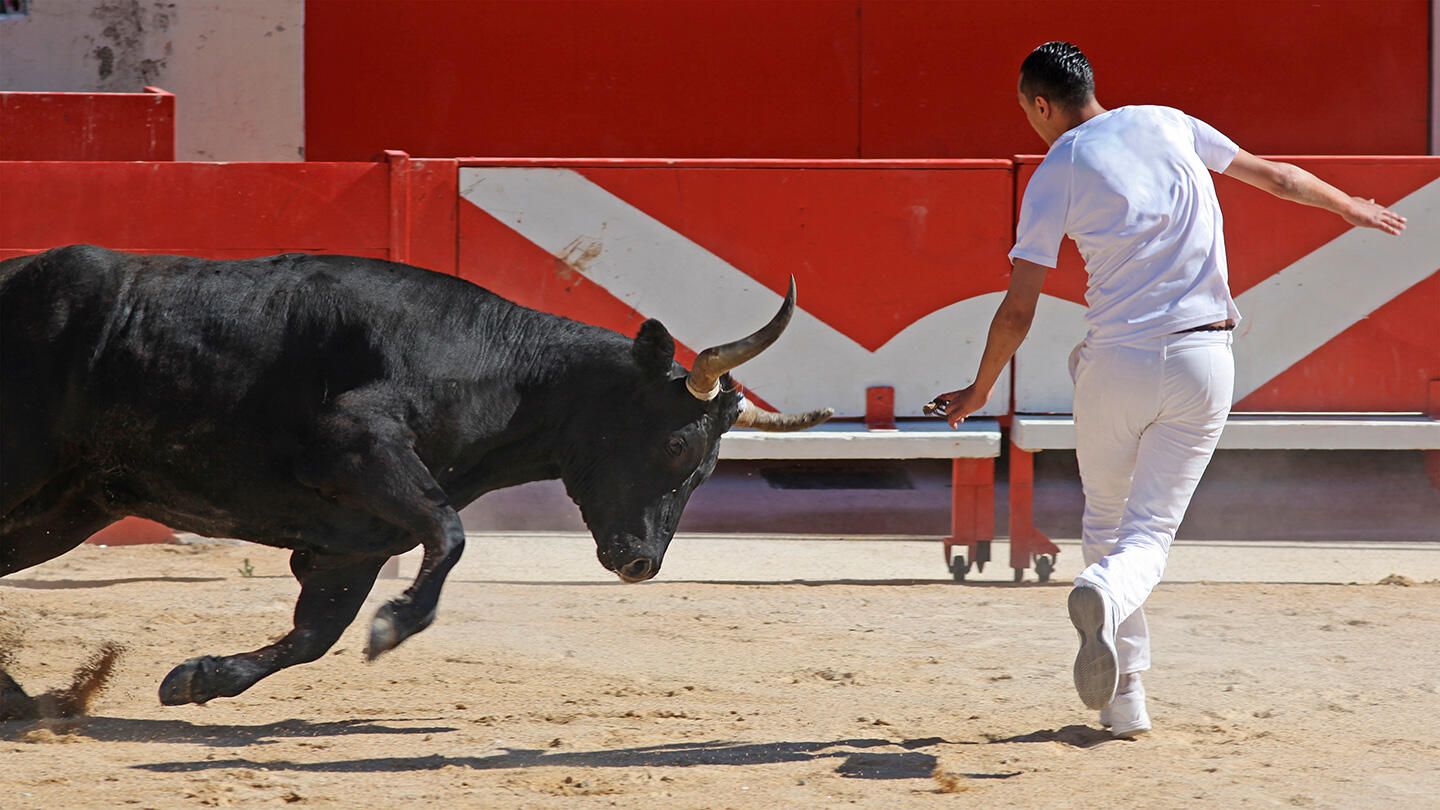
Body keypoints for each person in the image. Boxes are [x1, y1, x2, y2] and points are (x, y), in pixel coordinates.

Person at [931, 41, 1407, 738]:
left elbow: (1019, 310)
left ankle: (1125, 687)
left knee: (1107, 525)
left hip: (1115, 364)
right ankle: (1122, 684)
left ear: (1040, 105)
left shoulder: (1055, 168)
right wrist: (1348, 206)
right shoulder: (1169, 121)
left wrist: (977, 390)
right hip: (1202, 359)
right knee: (1148, 535)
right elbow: (1276, 178)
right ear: (1092, 86)